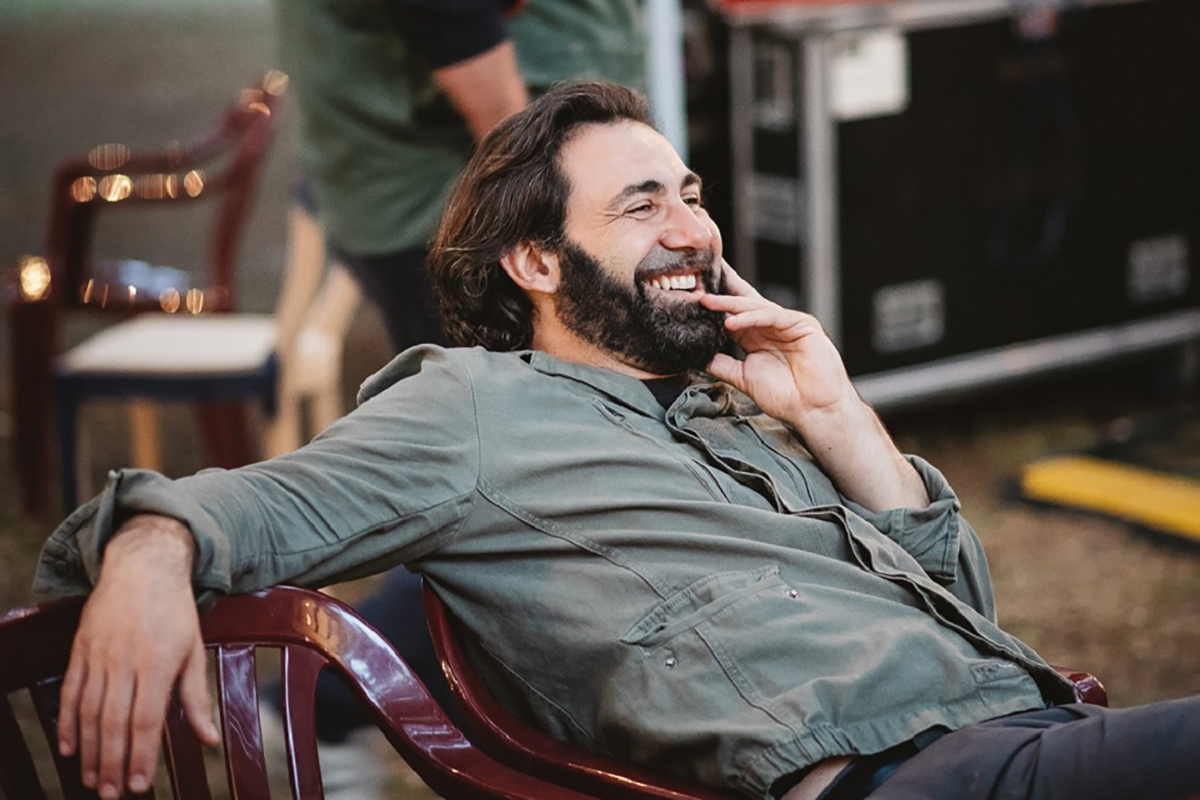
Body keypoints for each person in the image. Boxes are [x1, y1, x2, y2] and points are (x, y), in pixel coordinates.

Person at [35, 82, 1200, 800]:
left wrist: (840, 420)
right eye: (643, 205)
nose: (693, 228)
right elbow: (248, 506)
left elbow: (969, 618)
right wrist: (149, 551)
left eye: (691, 193)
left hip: (1020, 733)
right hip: (909, 777)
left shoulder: (734, 408)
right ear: (538, 261)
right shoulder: (473, 406)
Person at [271, 0, 646, 775]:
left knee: (523, 486)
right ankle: (329, 700)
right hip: (459, 214)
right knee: (532, 492)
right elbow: (465, 44)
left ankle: (345, 700)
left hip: (434, 201)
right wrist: (562, 230)